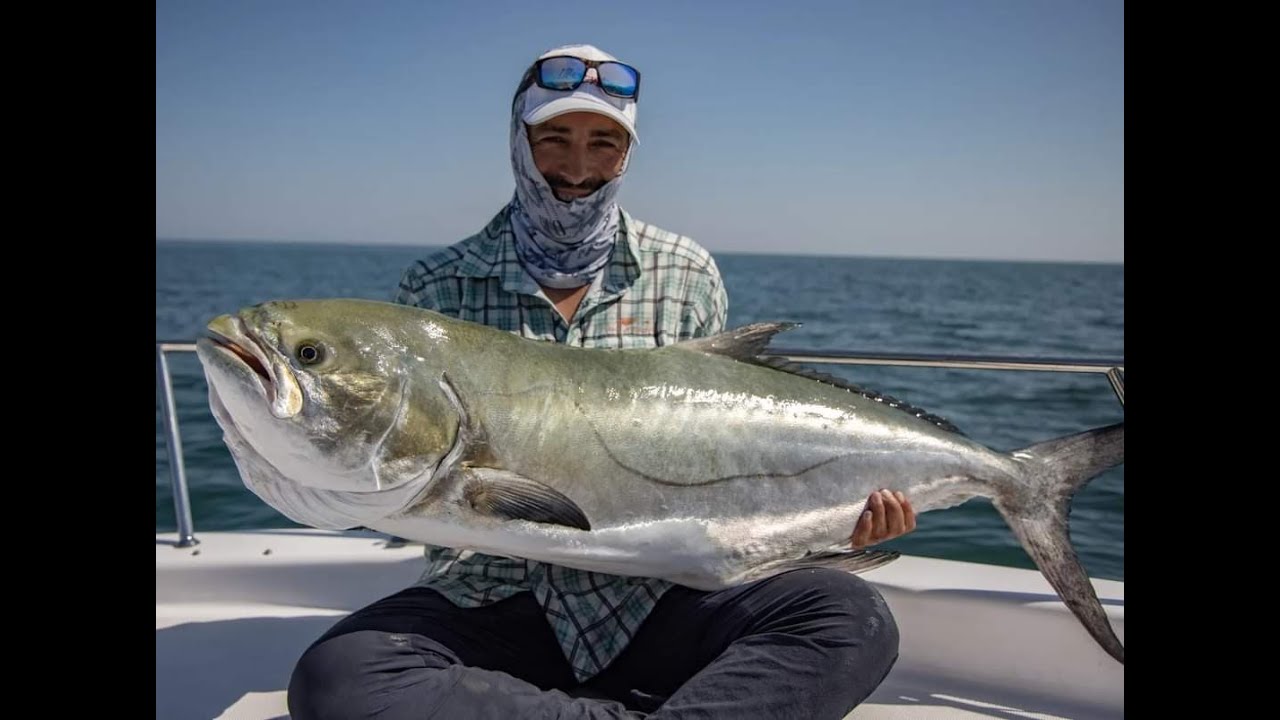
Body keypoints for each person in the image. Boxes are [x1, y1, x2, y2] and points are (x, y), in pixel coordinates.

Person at [287, 43, 917, 720]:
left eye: (604, 143)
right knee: (339, 680)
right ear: (519, 140)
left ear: (628, 152)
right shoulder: (438, 284)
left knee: (849, 617)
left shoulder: (686, 273)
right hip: (496, 590)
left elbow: (723, 455)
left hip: (660, 593)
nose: (579, 168)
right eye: (554, 138)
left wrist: (823, 520)